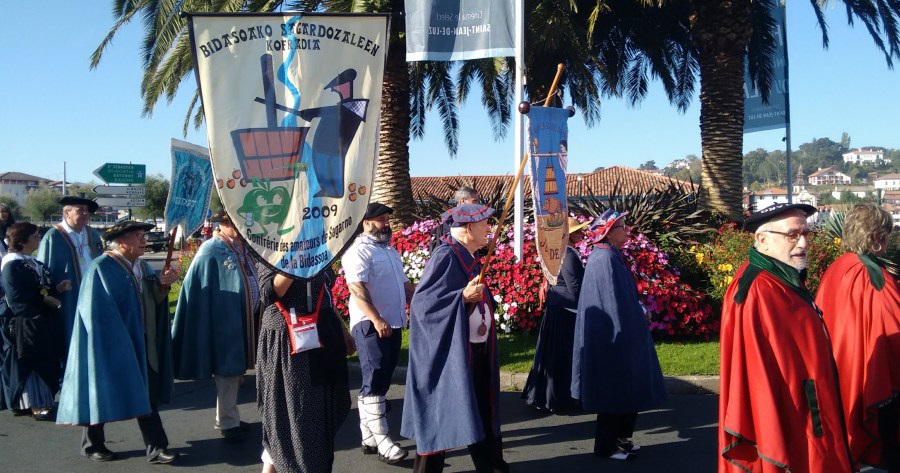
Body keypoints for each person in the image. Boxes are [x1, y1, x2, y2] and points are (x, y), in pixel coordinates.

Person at [719, 203, 853, 473]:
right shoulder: (758, 290)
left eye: (806, 233)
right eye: (792, 235)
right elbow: (756, 378)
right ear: (763, 239)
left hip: (806, 406)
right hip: (790, 413)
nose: (803, 242)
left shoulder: (780, 277)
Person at [56, 220, 179, 465]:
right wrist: (116, 339)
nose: (144, 240)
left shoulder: (142, 267)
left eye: (144, 235)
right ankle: (93, 445)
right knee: (101, 391)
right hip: (110, 344)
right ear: (121, 241)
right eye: (138, 236)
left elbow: (151, 300)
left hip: (142, 340)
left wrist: (163, 285)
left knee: (146, 395)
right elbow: (93, 311)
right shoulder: (101, 267)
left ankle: (157, 448)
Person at [402, 203, 510, 473]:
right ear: (470, 227)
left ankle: (493, 467)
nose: (489, 229)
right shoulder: (446, 256)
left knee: (483, 413)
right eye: (485, 223)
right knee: (440, 415)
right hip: (452, 355)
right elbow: (423, 306)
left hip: (475, 352)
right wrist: (461, 297)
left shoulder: (470, 257)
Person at [571, 209, 667, 461]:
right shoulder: (603, 260)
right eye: (623, 226)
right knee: (614, 391)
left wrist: (640, 309)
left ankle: (621, 439)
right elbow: (612, 303)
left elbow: (624, 297)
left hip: (624, 332)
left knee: (627, 389)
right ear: (610, 233)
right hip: (613, 338)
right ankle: (606, 446)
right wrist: (635, 318)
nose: (627, 230)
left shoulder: (612, 255)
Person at [816, 203, 900, 472]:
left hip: (840, 371)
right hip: (876, 378)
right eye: (886, 235)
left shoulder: (836, 269)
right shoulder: (874, 275)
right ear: (876, 238)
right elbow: (894, 333)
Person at [256, 264, 355, 473]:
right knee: (291, 417)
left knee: (317, 421)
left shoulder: (319, 244)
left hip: (322, 336)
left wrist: (342, 329)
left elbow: (324, 292)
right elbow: (270, 292)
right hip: (287, 339)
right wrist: (296, 259)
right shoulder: (272, 245)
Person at [171, 210, 259, 443]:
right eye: (237, 224)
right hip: (223, 319)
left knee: (236, 372)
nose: (242, 229)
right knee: (227, 370)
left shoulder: (242, 246)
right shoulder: (211, 250)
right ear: (223, 225)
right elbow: (199, 285)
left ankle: (226, 417)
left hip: (244, 318)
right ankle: (229, 423)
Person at [342, 202, 414, 464]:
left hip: (393, 323)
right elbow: (356, 288)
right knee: (374, 381)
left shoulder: (389, 251)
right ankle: (384, 442)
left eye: (387, 219)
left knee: (380, 381)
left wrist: (419, 300)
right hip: (371, 324)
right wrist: (376, 318)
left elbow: (405, 284)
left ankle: (368, 437)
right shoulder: (358, 252)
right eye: (381, 220)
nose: (386, 224)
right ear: (366, 223)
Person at [0, 223, 71, 419]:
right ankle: (33, 403)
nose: (38, 239)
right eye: (35, 236)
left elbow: (44, 288)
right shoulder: (12, 264)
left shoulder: (34, 262)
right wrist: (42, 300)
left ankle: (40, 400)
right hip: (24, 322)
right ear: (21, 241)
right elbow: (15, 297)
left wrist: (58, 289)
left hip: (44, 320)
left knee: (47, 359)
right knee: (30, 361)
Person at [522, 217, 590, 413]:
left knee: (553, 356)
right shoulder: (567, 255)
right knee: (561, 357)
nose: (581, 233)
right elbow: (574, 289)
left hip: (558, 310)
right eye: (577, 230)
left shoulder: (562, 253)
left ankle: (550, 396)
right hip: (564, 312)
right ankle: (559, 398)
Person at [36, 196, 104, 347]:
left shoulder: (91, 233)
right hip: (68, 297)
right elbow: (43, 271)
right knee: (71, 336)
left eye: (87, 211)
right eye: (81, 210)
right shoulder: (53, 237)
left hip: (93, 293)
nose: (86, 214)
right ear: (67, 213)